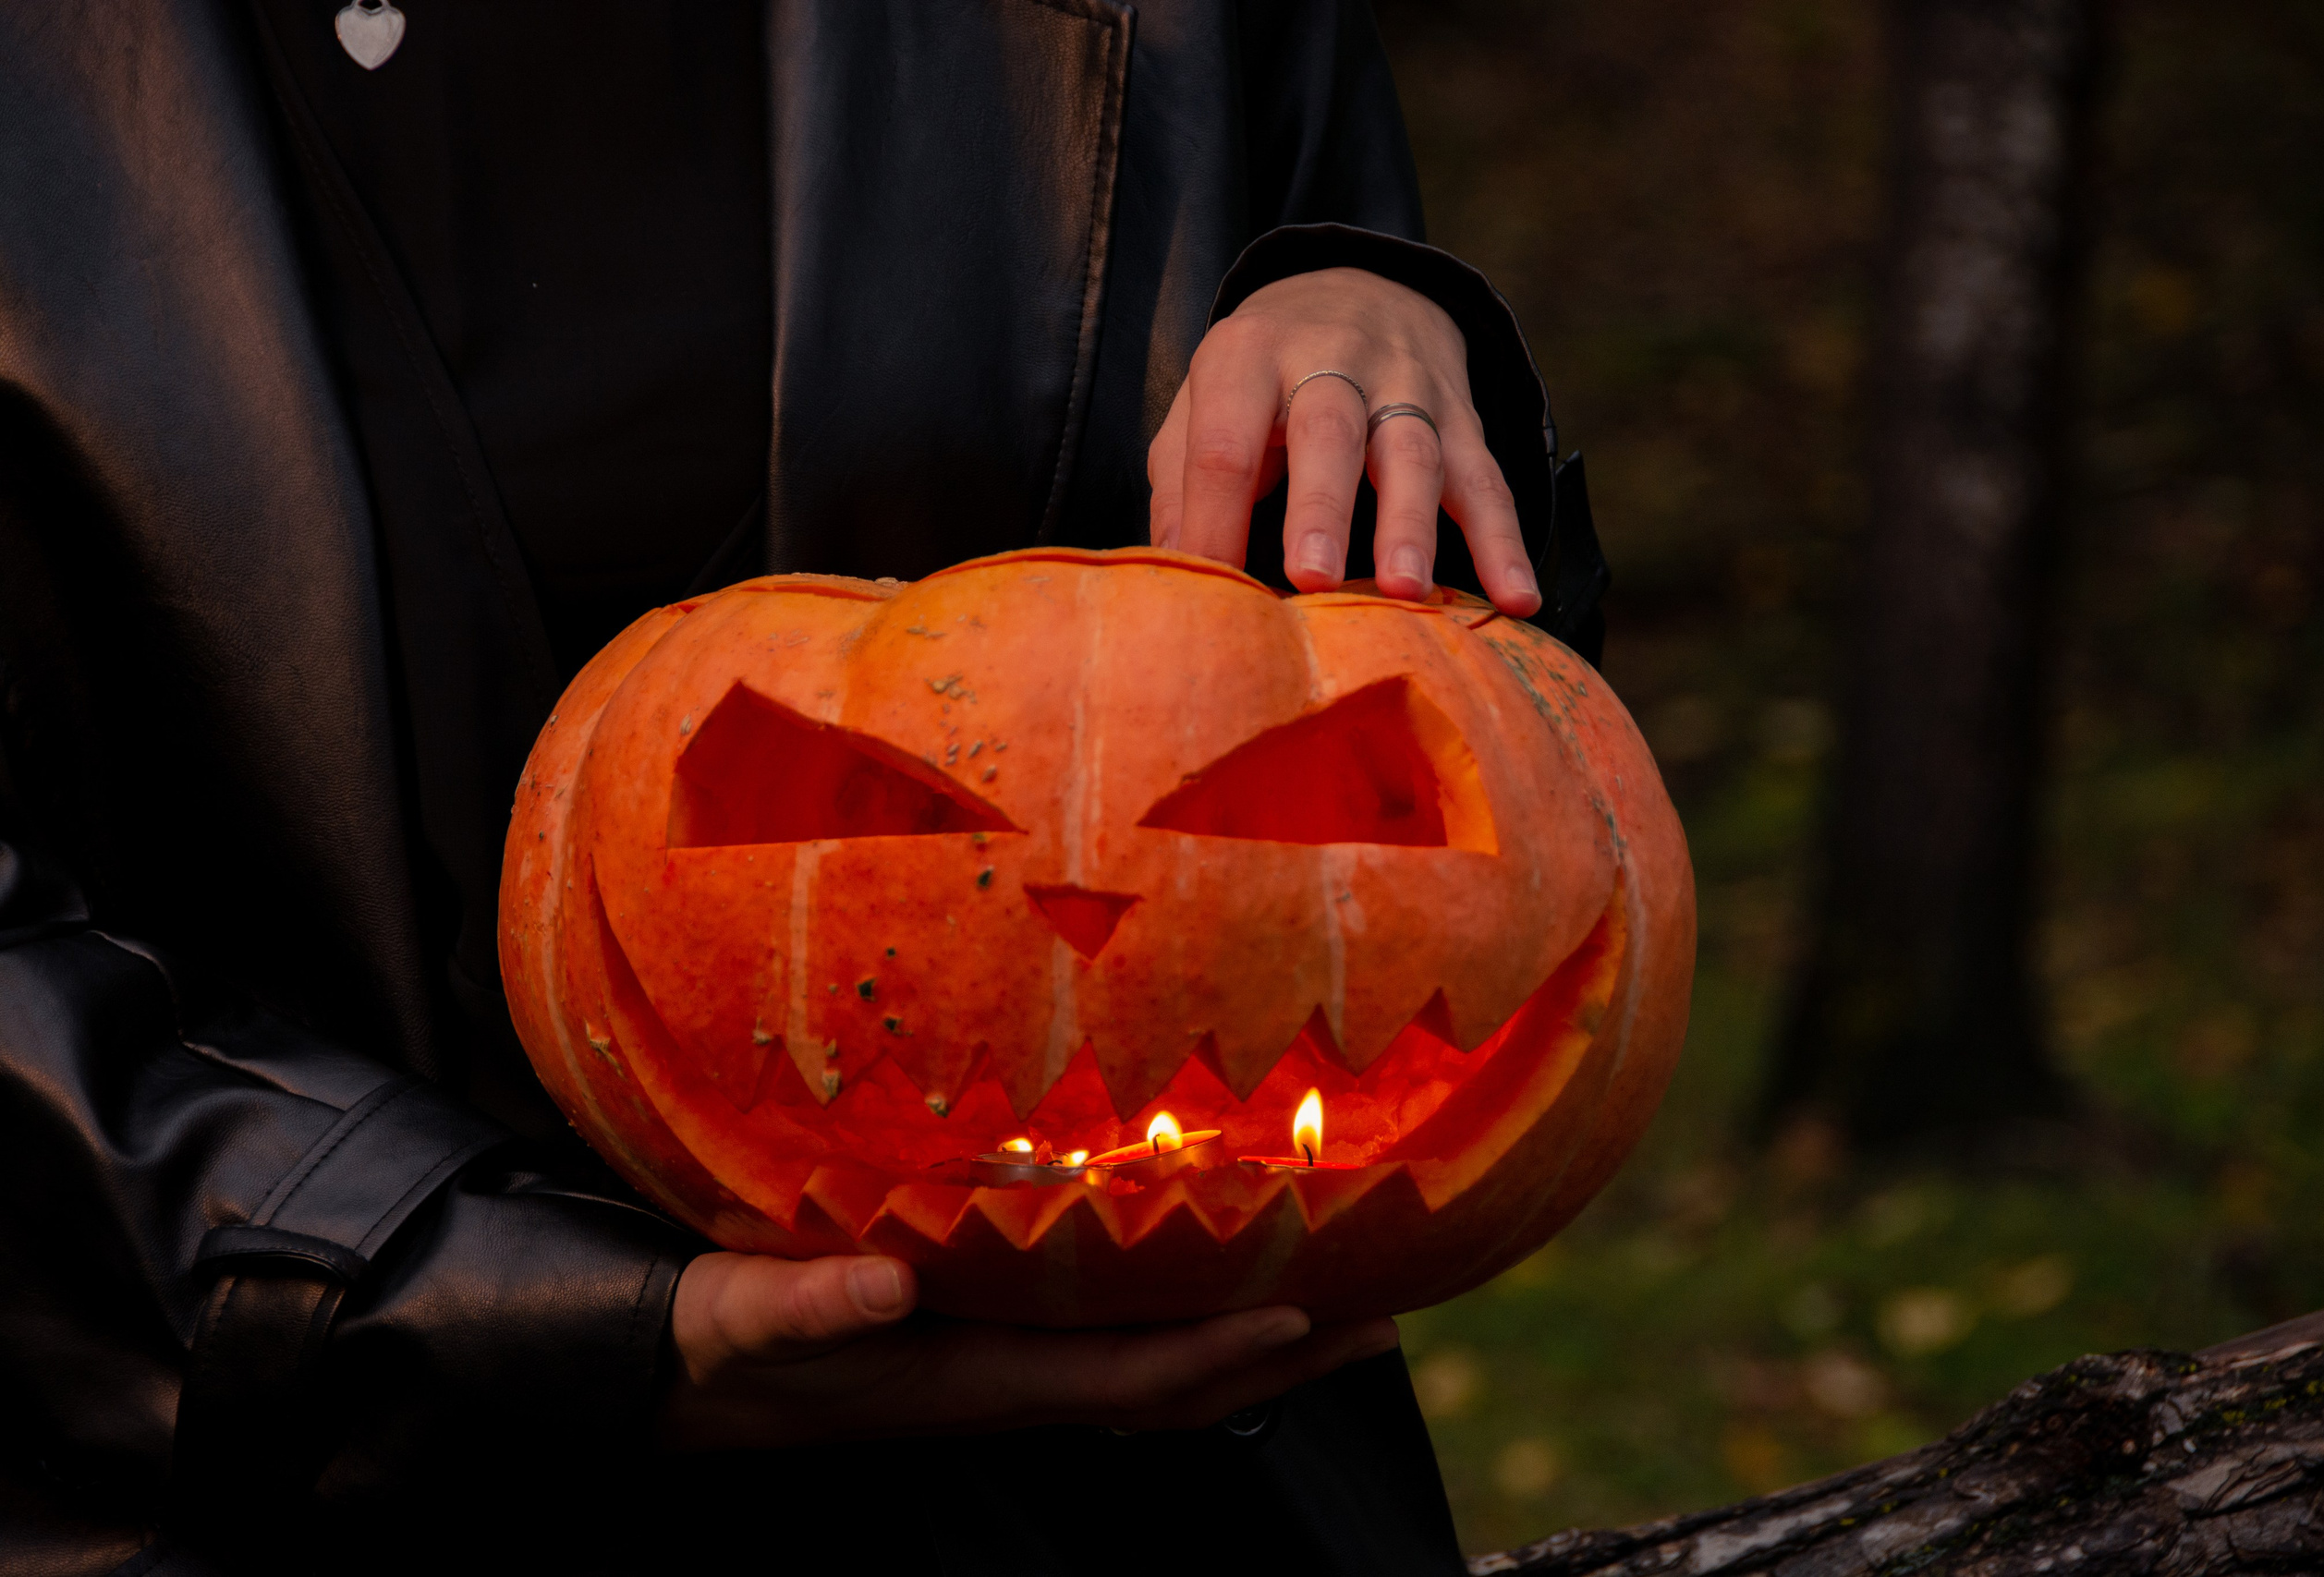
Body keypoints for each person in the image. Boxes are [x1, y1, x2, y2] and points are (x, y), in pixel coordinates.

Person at [0, 5, 1606, 1572]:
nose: (1074, 896)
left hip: (1143, 1497)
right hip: (264, 1490)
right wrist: (536, 1322)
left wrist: (1377, 321)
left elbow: (1433, 780)